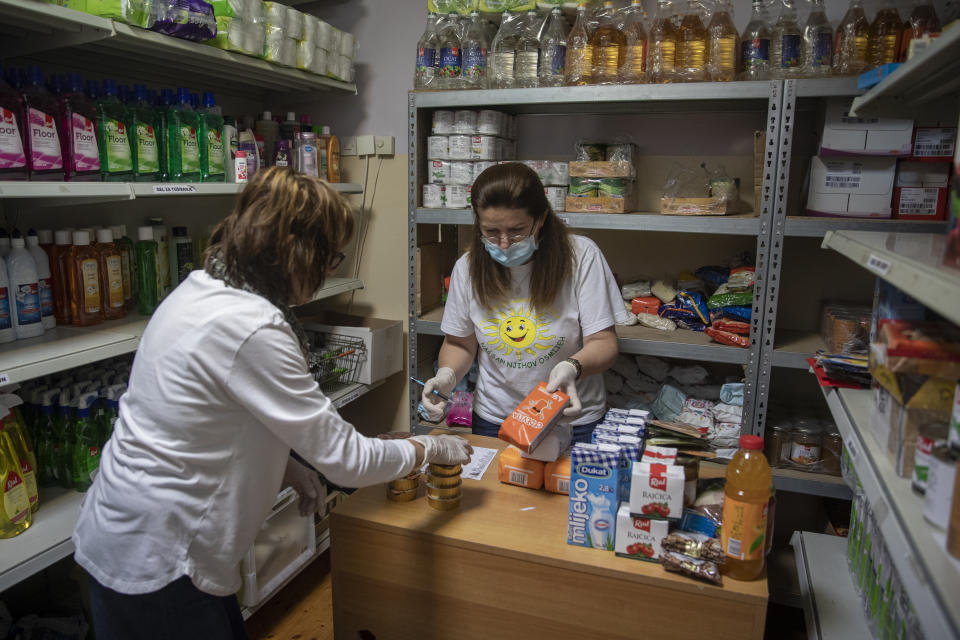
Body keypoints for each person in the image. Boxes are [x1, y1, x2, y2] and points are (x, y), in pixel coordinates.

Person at [72, 168, 472, 640]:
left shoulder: (205, 287)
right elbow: (348, 462)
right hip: (160, 558)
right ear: (297, 252)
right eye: (329, 258)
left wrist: (286, 468)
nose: (332, 271)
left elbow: (209, 421)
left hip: (142, 536)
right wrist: (430, 450)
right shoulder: (251, 326)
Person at [421, 162, 627, 445]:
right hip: (496, 419)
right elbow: (460, 343)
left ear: (541, 219)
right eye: (491, 232)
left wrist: (572, 366)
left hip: (569, 418)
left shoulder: (582, 256)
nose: (504, 244)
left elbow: (604, 342)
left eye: (517, 231)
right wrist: (447, 375)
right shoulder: (467, 268)